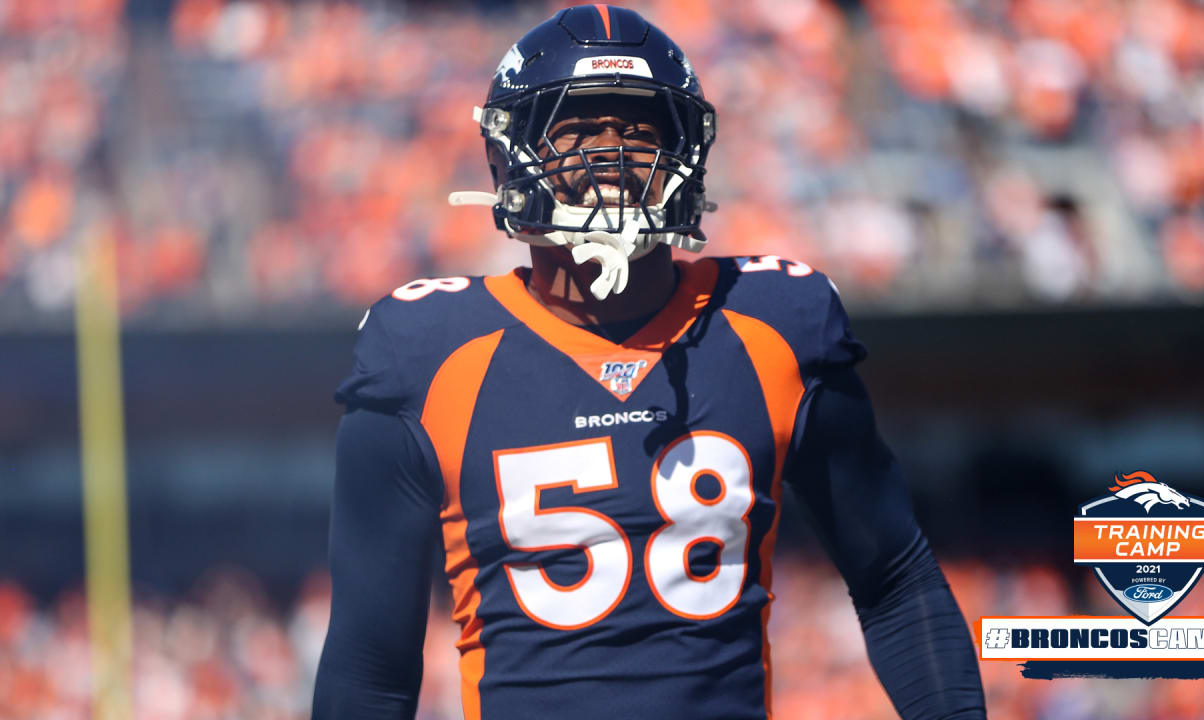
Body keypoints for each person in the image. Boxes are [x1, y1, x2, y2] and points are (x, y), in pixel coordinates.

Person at [313, 6, 986, 719]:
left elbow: (895, 579)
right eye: (577, 130)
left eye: (639, 129)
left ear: (687, 152)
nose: (612, 154)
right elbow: (371, 661)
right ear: (508, 159)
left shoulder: (775, 326)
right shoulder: (428, 355)